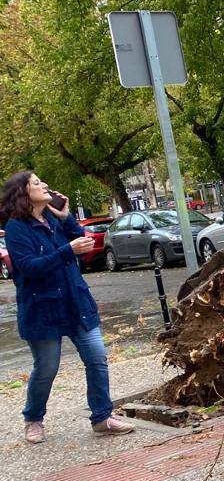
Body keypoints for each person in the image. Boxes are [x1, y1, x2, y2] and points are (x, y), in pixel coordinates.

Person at [0, 172, 134, 443]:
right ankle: (33, 418)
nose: (45, 185)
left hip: (76, 302)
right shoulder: (16, 228)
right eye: (37, 183)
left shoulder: (52, 220)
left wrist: (66, 217)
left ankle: (102, 418)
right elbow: (28, 267)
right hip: (43, 309)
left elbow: (81, 244)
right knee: (47, 367)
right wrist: (67, 251)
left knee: (97, 359)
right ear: (23, 194)